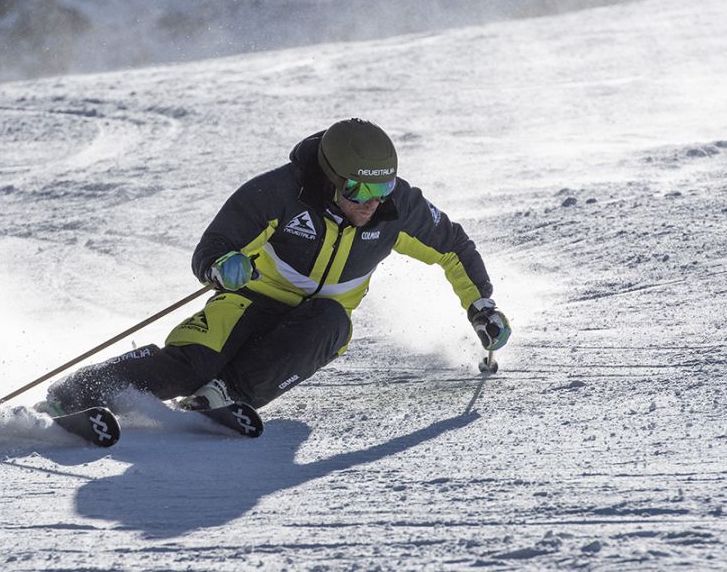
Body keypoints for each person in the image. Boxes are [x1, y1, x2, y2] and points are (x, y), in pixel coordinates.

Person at [39, 118, 510, 416]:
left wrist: (481, 306)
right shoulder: (281, 193)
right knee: (191, 362)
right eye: (357, 192)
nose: (370, 204)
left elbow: (453, 249)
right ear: (330, 179)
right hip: (249, 300)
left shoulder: (396, 208)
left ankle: (223, 398)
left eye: (380, 190)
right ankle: (76, 393)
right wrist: (223, 267)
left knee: (331, 320)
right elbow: (213, 247)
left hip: (312, 326)